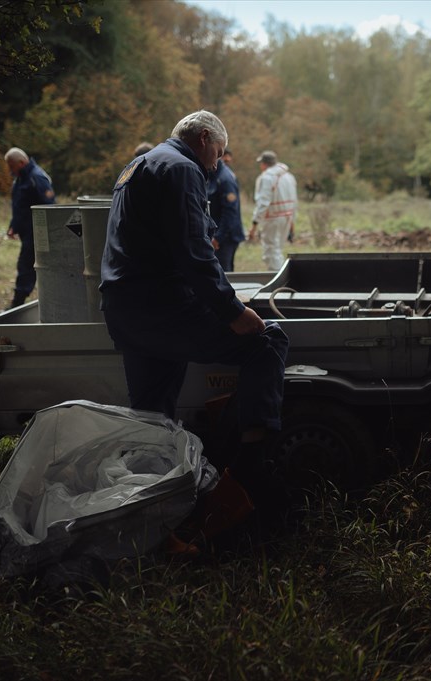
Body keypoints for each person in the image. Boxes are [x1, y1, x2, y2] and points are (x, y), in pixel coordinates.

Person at [100, 110, 289, 523]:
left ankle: (152, 510)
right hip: (162, 307)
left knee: (153, 416)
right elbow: (193, 252)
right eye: (218, 152)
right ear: (203, 138)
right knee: (266, 343)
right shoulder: (183, 168)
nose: (218, 162)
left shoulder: (140, 165)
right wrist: (232, 310)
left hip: (126, 309)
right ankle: (248, 469)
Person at [5, 147, 55, 308]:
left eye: (11, 166)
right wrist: (14, 226)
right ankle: (20, 300)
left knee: (27, 265)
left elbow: (49, 206)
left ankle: (18, 303)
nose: (9, 169)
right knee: (27, 265)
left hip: (38, 231)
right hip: (27, 229)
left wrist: (45, 232)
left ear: (21, 162)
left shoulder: (37, 177)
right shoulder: (21, 178)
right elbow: (20, 206)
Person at [249, 151, 297, 271]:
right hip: (287, 217)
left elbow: (263, 202)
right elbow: (294, 201)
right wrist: (292, 222)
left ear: (264, 164)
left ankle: (276, 279)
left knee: (270, 251)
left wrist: (255, 223)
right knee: (278, 249)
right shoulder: (289, 176)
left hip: (272, 218)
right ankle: (281, 276)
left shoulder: (267, 178)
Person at [207, 148, 245, 272]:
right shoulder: (213, 175)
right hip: (219, 234)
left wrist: (218, 237)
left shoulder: (224, 179)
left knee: (224, 273)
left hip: (225, 237)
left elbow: (230, 212)